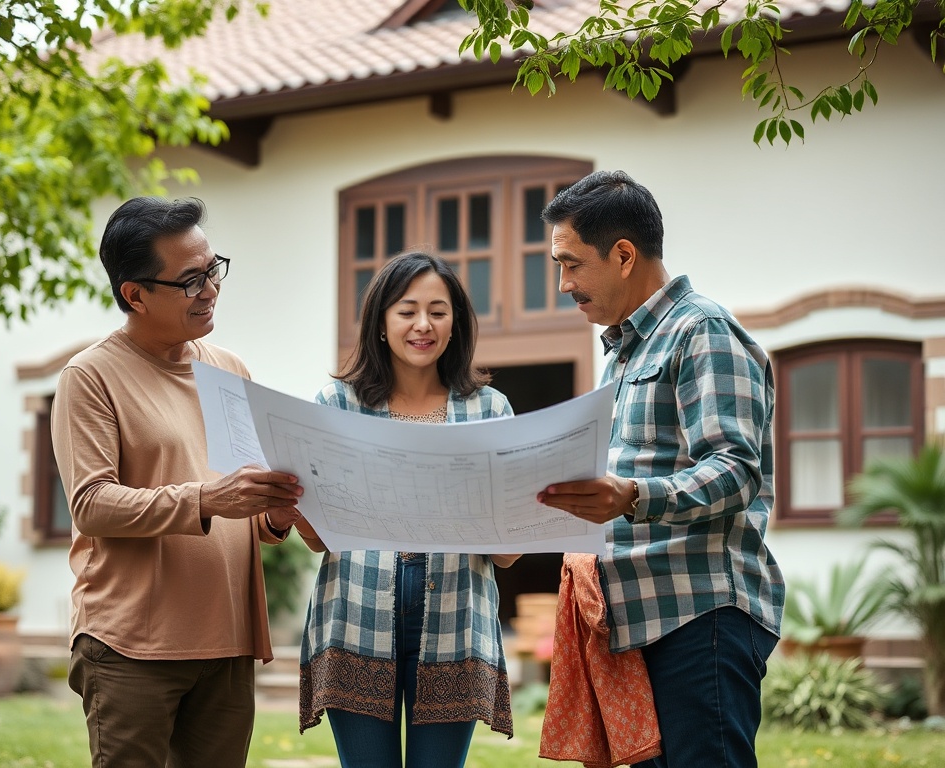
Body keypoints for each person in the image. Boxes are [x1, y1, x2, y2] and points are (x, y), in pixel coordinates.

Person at [536, 171, 785, 768]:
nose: (563, 284)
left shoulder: (702, 331)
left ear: (623, 255)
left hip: (699, 619)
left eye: (570, 264)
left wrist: (630, 496)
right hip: (638, 623)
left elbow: (734, 470)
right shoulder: (624, 352)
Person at [51, 196, 303, 768]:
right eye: (190, 280)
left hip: (228, 638)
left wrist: (275, 513)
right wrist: (207, 499)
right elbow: (91, 503)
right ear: (134, 293)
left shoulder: (229, 368)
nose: (211, 289)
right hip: (131, 645)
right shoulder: (89, 377)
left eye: (213, 270)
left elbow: (247, 500)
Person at [295, 250, 519, 768]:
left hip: (456, 617)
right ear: (380, 322)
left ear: (456, 323)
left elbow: (507, 555)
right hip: (355, 610)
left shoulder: (492, 410)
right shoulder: (336, 405)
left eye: (439, 312)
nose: (423, 325)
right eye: (407, 310)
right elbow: (317, 537)